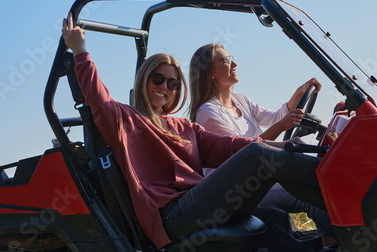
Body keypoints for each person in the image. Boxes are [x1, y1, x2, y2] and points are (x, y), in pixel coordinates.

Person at [62, 13, 325, 250]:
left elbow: (229, 147)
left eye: (173, 83)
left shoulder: (184, 127)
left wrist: (291, 146)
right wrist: (79, 50)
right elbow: (96, 98)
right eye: (158, 79)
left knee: (271, 171)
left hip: (202, 203)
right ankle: (338, 172)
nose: (165, 86)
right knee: (262, 160)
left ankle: (335, 206)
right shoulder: (125, 119)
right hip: (173, 216)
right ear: (144, 79)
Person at [188, 43, 336, 243]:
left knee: (318, 185)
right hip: (238, 188)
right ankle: (345, 239)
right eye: (226, 60)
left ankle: (328, 239)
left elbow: (276, 117)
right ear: (211, 73)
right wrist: (284, 133)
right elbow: (242, 155)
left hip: (261, 176)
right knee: (305, 197)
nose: (235, 63)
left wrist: (300, 92)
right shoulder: (208, 113)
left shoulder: (240, 100)